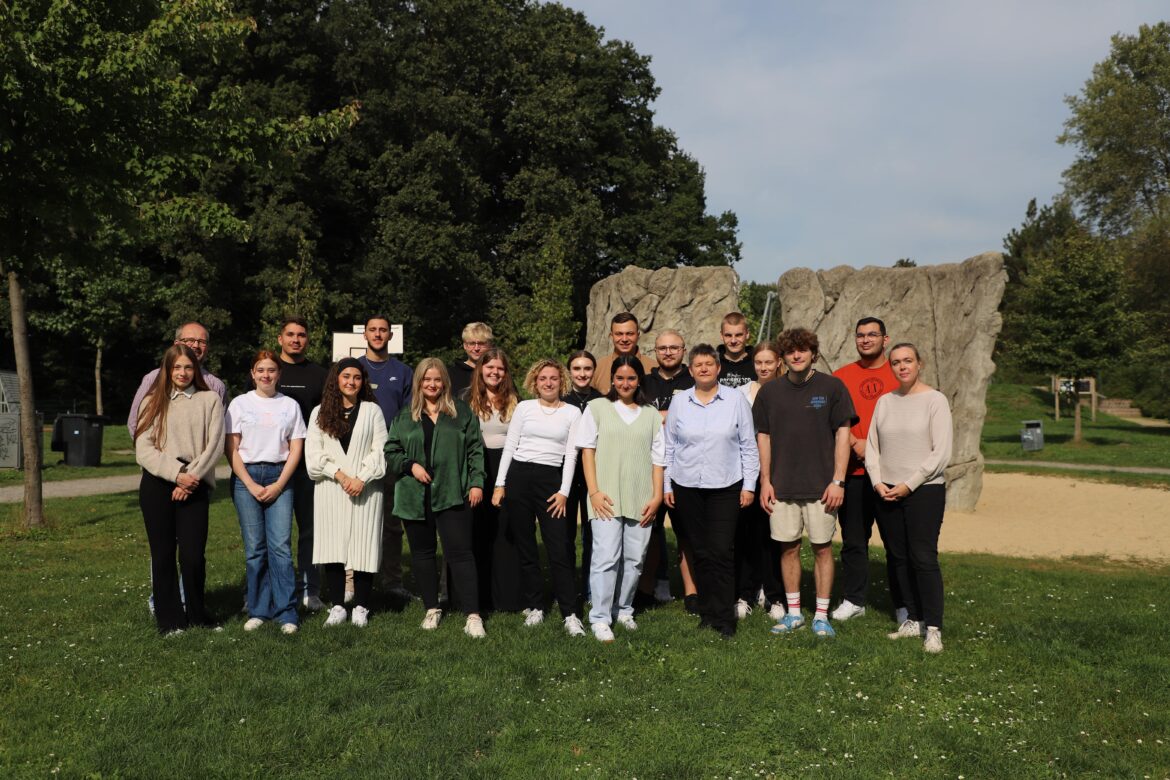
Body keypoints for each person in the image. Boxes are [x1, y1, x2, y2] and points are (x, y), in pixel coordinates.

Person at [754, 328, 854, 638]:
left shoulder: (833, 387)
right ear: (783, 357)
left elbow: (843, 434)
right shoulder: (769, 393)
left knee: (823, 549)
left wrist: (838, 480)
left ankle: (821, 615)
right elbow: (764, 438)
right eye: (791, 351)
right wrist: (766, 481)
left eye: (803, 350)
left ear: (813, 352)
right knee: (788, 548)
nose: (797, 355)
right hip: (782, 488)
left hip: (822, 487)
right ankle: (794, 613)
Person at [385, 359, 487, 638]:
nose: (432, 384)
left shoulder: (461, 412)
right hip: (413, 497)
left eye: (437, 380)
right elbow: (391, 451)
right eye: (426, 380)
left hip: (453, 493)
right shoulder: (404, 416)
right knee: (422, 553)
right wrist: (411, 466)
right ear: (418, 383)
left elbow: (475, 449)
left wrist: (476, 483)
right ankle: (432, 607)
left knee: (461, 553)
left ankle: (473, 615)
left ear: (445, 383)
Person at [663, 344, 759, 638]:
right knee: (701, 552)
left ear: (718, 368)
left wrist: (749, 485)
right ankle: (707, 613)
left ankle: (725, 618)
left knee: (721, 551)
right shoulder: (680, 402)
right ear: (690, 370)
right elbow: (669, 446)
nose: (703, 369)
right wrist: (667, 484)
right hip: (687, 485)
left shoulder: (735, 400)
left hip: (725, 486)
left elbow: (748, 446)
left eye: (709, 364)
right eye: (698, 365)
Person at [866, 344, 952, 654]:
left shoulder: (935, 401)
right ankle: (912, 618)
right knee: (897, 556)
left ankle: (933, 627)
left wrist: (909, 484)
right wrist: (877, 481)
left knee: (923, 557)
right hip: (886, 490)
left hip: (924, 490)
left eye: (908, 361)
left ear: (919, 363)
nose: (902, 367)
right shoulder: (885, 402)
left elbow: (940, 453)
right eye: (896, 362)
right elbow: (873, 447)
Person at [133, 344, 224, 634]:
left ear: (195, 370)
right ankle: (169, 620)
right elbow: (143, 449)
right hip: (158, 483)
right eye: (176, 367)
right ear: (167, 370)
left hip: (193, 484)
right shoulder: (152, 401)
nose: (182, 373)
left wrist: (190, 477)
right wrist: (176, 474)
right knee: (162, 555)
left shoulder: (209, 400)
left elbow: (215, 445)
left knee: (193, 555)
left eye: (188, 367)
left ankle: (198, 614)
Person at [577, 355, 665, 642]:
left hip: (641, 498)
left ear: (639, 380)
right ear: (612, 379)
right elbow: (587, 451)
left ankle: (624, 609)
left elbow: (658, 459)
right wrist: (594, 492)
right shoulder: (597, 408)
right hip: (606, 497)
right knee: (606, 558)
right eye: (620, 377)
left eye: (631, 378)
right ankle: (600, 618)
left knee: (635, 558)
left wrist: (657, 496)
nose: (625, 383)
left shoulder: (651, 414)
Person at [493, 359, 585, 635]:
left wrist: (564, 492)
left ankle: (570, 613)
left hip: (551, 482)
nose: (548, 383)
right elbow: (510, 446)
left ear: (562, 382)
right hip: (519, 478)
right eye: (543, 378)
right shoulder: (524, 408)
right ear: (535, 382)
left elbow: (572, 455)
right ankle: (535, 607)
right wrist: (500, 484)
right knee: (526, 548)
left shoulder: (572, 413)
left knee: (558, 549)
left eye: (553, 378)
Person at [226, 350, 307, 634]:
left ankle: (287, 612)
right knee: (255, 549)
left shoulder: (290, 405)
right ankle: (259, 609)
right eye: (260, 369)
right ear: (252, 373)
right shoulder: (239, 404)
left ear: (279, 374)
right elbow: (231, 448)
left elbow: (297, 447)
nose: (266, 375)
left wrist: (279, 484)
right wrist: (249, 484)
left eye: (271, 370)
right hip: (246, 477)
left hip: (279, 476)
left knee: (281, 548)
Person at [831, 317, 907, 625]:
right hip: (853, 473)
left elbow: (908, 423)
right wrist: (853, 441)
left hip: (892, 473)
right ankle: (854, 599)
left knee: (897, 544)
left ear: (885, 340)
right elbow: (834, 420)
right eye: (860, 335)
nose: (865, 340)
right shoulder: (841, 377)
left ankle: (904, 605)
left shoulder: (900, 374)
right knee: (853, 541)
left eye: (872, 335)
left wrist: (871, 446)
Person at [305, 358, 387, 628]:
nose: (351, 381)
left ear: (363, 381)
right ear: (336, 379)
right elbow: (314, 457)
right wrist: (341, 475)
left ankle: (361, 606)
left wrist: (361, 478)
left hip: (366, 488)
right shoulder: (319, 412)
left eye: (356, 377)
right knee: (333, 547)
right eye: (346, 376)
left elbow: (380, 451)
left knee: (363, 545)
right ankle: (338, 605)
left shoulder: (372, 411)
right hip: (331, 487)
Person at [639, 329, 697, 610]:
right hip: (648, 468)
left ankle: (692, 593)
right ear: (655, 350)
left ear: (683, 350)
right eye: (662, 348)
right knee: (647, 530)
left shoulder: (694, 380)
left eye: (674, 347)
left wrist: (665, 417)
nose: (668, 352)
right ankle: (646, 590)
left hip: (683, 467)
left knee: (686, 533)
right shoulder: (644, 382)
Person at [461, 347, 522, 612]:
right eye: (489, 367)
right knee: (477, 533)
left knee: (504, 533)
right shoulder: (465, 399)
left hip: (506, 468)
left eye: (499, 368)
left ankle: (506, 599)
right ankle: (478, 598)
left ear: (505, 372)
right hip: (476, 466)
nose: (494, 372)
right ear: (480, 370)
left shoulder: (516, 400)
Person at [357, 314, 413, 602]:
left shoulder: (403, 371)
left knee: (391, 523)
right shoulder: (354, 369)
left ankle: (392, 581)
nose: (378, 334)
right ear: (364, 335)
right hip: (357, 456)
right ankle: (352, 581)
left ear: (391, 335)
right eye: (373, 330)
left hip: (390, 456)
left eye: (383, 330)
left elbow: (407, 416)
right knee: (356, 519)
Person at [274, 316, 329, 611]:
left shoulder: (320, 375)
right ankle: (270, 590)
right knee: (276, 535)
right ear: (280, 338)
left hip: (308, 466)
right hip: (273, 465)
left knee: (309, 531)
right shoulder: (268, 370)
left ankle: (310, 591)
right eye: (291, 334)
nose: (296, 339)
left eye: (302, 335)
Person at [734, 341, 785, 621]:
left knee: (774, 536)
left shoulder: (787, 389)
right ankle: (746, 592)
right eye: (758, 362)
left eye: (768, 362)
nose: (763, 367)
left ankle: (774, 594)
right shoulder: (740, 394)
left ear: (778, 362)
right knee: (746, 535)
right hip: (747, 472)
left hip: (779, 472)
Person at [128, 322, 226, 436]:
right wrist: (150, 453)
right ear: (176, 344)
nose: (196, 345)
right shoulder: (153, 379)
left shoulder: (216, 386)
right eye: (190, 340)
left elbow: (220, 431)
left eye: (202, 342)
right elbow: (135, 423)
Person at [562, 350, 603, 602]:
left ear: (593, 371)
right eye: (577, 369)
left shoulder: (603, 401)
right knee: (564, 535)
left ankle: (590, 590)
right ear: (570, 372)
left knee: (593, 534)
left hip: (593, 475)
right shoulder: (561, 400)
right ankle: (565, 590)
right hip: (565, 474)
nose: (582, 373)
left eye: (587, 368)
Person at [591, 312, 655, 394]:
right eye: (619, 334)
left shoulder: (654, 368)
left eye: (630, 334)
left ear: (638, 335)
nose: (624, 339)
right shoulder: (597, 369)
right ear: (611, 336)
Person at [448, 322, 493, 397]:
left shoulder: (496, 373)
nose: (476, 348)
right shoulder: (451, 375)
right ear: (465, 346)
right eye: (472, 343)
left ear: (490, 345)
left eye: (481, 343)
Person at [717, 312, 756, 390]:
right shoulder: (712, 363)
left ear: (747, 334)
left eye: (738, 335)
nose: (733, 341)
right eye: (728, 335)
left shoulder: (758, 362)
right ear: (721, 335)